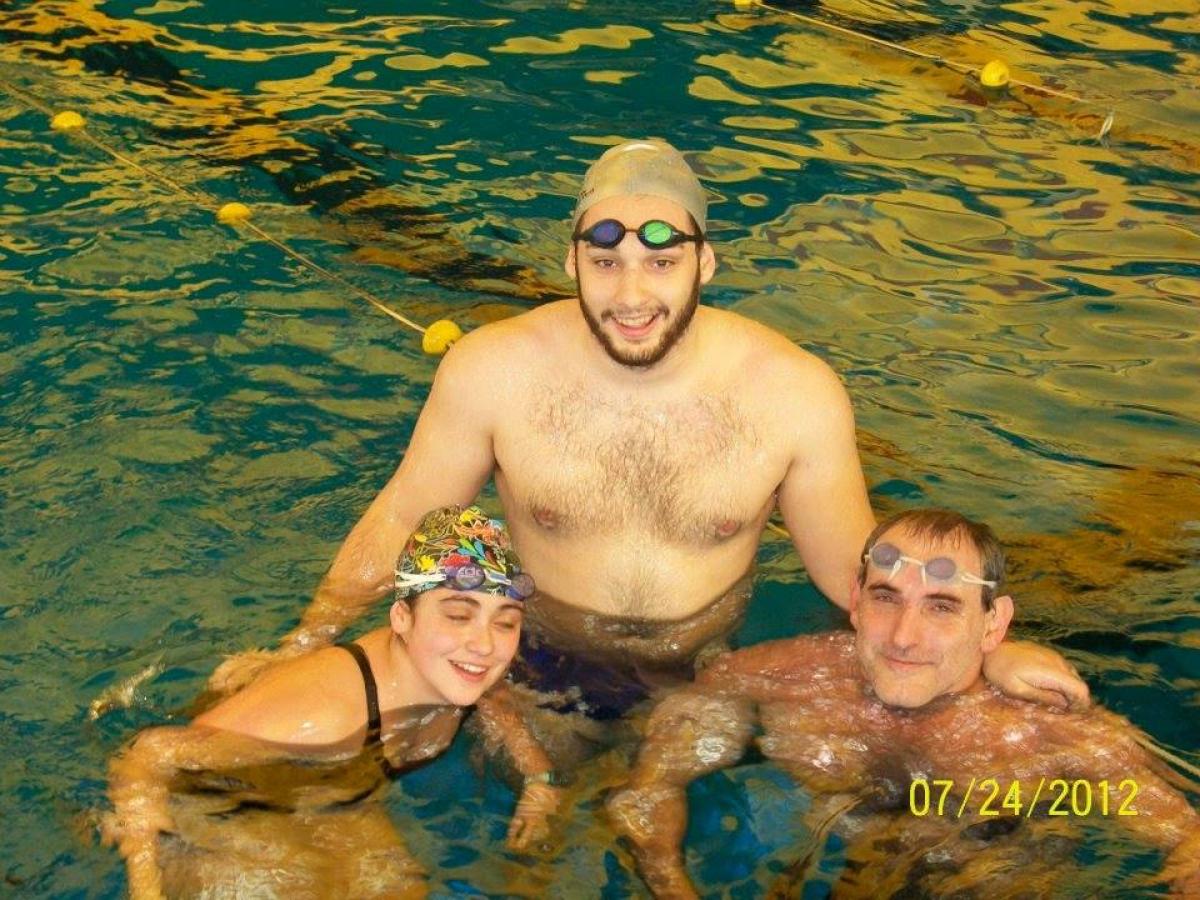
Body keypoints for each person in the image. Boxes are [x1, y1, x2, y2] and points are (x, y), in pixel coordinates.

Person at [211, 139, 1087, 766]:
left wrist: (986, 651)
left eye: (661, 264)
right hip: (532, 661)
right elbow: (407, 515)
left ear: (705, 263)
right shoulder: (495, 371)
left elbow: (858, 576)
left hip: (703, 671)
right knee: (532, 838)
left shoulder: (793, 392)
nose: (632, 295)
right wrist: (307, 637)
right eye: (607, 262)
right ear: (572, 263)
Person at [607, 509, 1200, 897]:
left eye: (942, 607)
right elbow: (648, 784)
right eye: (887, 598)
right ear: (855, 601)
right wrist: (669, 878)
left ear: (993, 625)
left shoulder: (1053, 732)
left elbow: (1187, 841)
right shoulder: (780, 676)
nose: (904, 636)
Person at [103, 506, 561, 899]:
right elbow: (150, 753)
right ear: (402, 616)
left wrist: (539, 779)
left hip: (333, 795)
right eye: (458, 616)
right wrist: (144, 881)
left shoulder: (460, 670)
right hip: (219, 807)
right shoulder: (324, 716)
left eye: (505, 623)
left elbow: (497, 703)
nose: (483, 645)